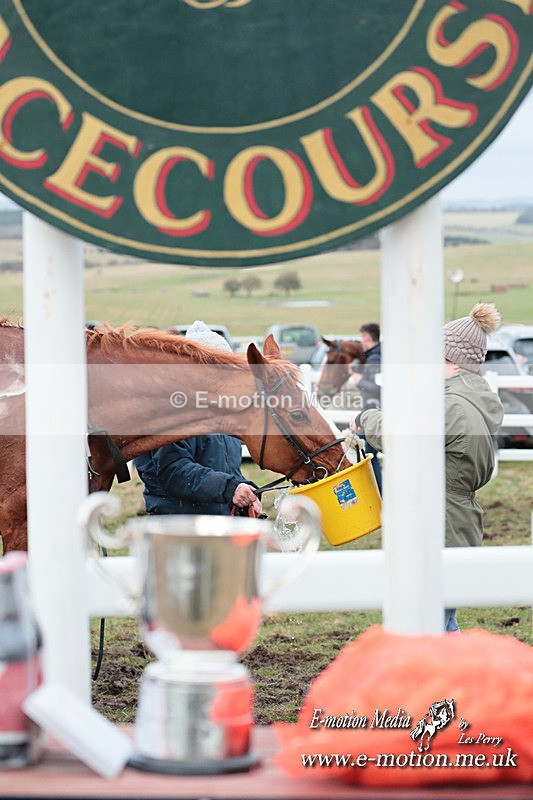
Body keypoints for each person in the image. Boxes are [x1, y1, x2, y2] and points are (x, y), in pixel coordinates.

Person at [351, 303, 504, 633]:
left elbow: (399, 434)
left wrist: (366, 418)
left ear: (450, 361)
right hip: (455, 520)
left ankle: (442, 683)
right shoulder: (469, 402)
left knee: (428, 622)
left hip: (439, 523)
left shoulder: (450, 406)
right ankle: (451, 682)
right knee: (442, 618)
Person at [134, 321, 262, 518]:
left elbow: (226, 471)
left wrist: (249, 492)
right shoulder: (173, 411)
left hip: (217, 525)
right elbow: (174, 471)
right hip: (180, 528)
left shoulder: (220, 412)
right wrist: (231, 488)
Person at [350, 322, 383, 493]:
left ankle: (378, 492)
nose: (361, 342)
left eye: (362, 338)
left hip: (373, 410)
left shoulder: (375, 358)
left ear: (367, 337)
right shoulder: (374, 356)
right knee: (368, 454)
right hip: (373, 410)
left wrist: (358, 379)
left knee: (367, 454)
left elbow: (378, 387)